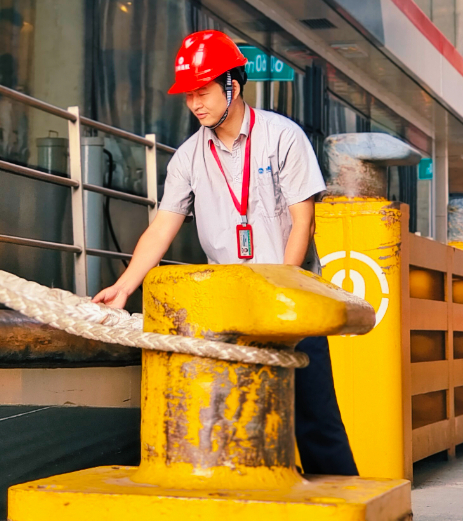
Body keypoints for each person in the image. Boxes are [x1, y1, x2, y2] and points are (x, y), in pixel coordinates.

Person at [91, 29, 358, 476]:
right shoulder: (188, 158)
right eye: (188, 95)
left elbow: (302, 221)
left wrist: (281, 292)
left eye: (203, 91)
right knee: (236, 429)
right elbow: (161, 228)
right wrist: (123, 287)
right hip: (230, 313)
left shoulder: (282, 138)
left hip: (292, 306)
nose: (196, 103)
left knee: (317, 428)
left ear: (232, 85)